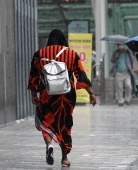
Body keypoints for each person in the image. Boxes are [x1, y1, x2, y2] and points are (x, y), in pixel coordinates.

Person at [27, 29, 97, 167]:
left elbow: (33, 77)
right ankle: (64, 158)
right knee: (65, 124)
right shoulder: (71, 54)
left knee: (45, 121)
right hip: (66, 96)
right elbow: (81, 75)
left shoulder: (39, 54)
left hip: (47, 94)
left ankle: (49, 145)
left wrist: (34, 95)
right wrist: (91, 93)